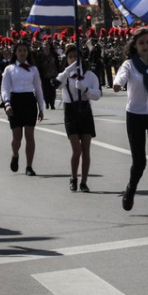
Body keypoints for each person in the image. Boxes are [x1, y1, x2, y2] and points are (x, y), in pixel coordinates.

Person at [113, 27, 148, 218]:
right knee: (139, 161)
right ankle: (131, 188)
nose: (145, 46)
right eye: (141, 42)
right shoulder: (129, 64)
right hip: (135, 114)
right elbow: (121, 76)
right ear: (134, 45)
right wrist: (118, 84)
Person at [57, 44, 102, 192]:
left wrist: (86, 89)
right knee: (77, 150)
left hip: (85, 111)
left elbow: (97, 95)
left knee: (86, 150)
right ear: (67, 59)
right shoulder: (66, 75)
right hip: (70, 111)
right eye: (70, 57)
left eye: (76, 56)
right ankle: (73, 178)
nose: (73, 59)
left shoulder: (89, 75)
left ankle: (84, 182)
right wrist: (67, 71)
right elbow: (56, 84)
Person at [1, 40, 45, 175]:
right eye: (19, 50)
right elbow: (5, 88)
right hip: (14, 102)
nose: (22, 53)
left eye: (24, 50)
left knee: (30, 135)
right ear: (15, 52)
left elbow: (38, 88)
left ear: (28, 52)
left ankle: (29, 166)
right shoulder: (9, 69)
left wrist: (41, 107)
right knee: (17, 137)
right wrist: (7, 103)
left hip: (29, 102)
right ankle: (15, 155)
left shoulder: (33, 69)